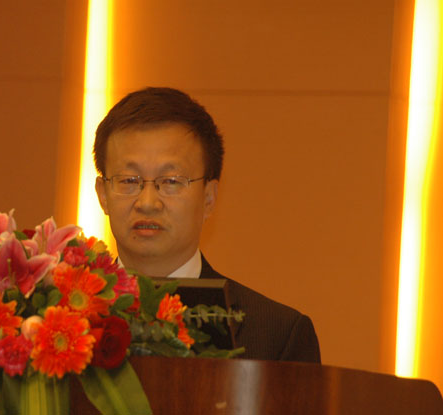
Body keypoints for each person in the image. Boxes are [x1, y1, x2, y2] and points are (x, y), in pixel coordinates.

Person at [93, 87, 321, 363]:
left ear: (209, 199)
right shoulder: (62, 317)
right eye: (129, 181)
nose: (148, 202)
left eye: (171, 181)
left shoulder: (278, 336)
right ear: (102, 195)